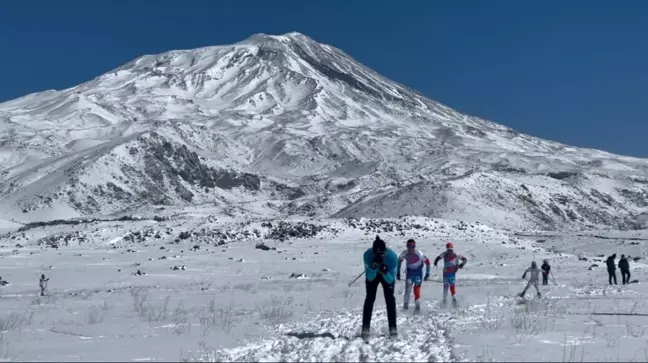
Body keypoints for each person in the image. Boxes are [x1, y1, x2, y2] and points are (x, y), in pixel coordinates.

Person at [362, 236, 399, 339]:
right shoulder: (367, 255)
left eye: (381, 254)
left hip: (387, 274)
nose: (379, 256)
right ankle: (365, 327)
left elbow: (391, 280)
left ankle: (393, 327)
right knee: (369, 298)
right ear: (373, 252)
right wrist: (373, 268)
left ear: (385, 251)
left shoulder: (392, 258)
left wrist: (385, 272)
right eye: (376, 254)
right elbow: (369, 278)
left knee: (390, 298)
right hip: (373, 273)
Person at [397, 239, 431, 312]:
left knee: (416, 289)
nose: (411, 248)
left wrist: (427, 274)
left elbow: (428, 262)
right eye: (409, 246)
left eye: (413, 246)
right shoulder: (404, 253)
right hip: (410, 273)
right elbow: (399, 262)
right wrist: (398, 273)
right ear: (407, 246)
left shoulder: (419, 253)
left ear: (415, 246)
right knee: (408, 289)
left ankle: (417, 306)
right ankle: (405, 306)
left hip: (418, 273)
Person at [433, 242, 467, 308]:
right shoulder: (456, 254)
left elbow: (437, 259)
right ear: (452, 248)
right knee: (452, 286)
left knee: (445, 288)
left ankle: (444, 303)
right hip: (452, 274)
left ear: (446, 248)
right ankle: (454, 301)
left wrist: (435, 264)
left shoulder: (444, 254)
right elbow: (465, 260)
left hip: (445, 273)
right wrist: (461, 265)